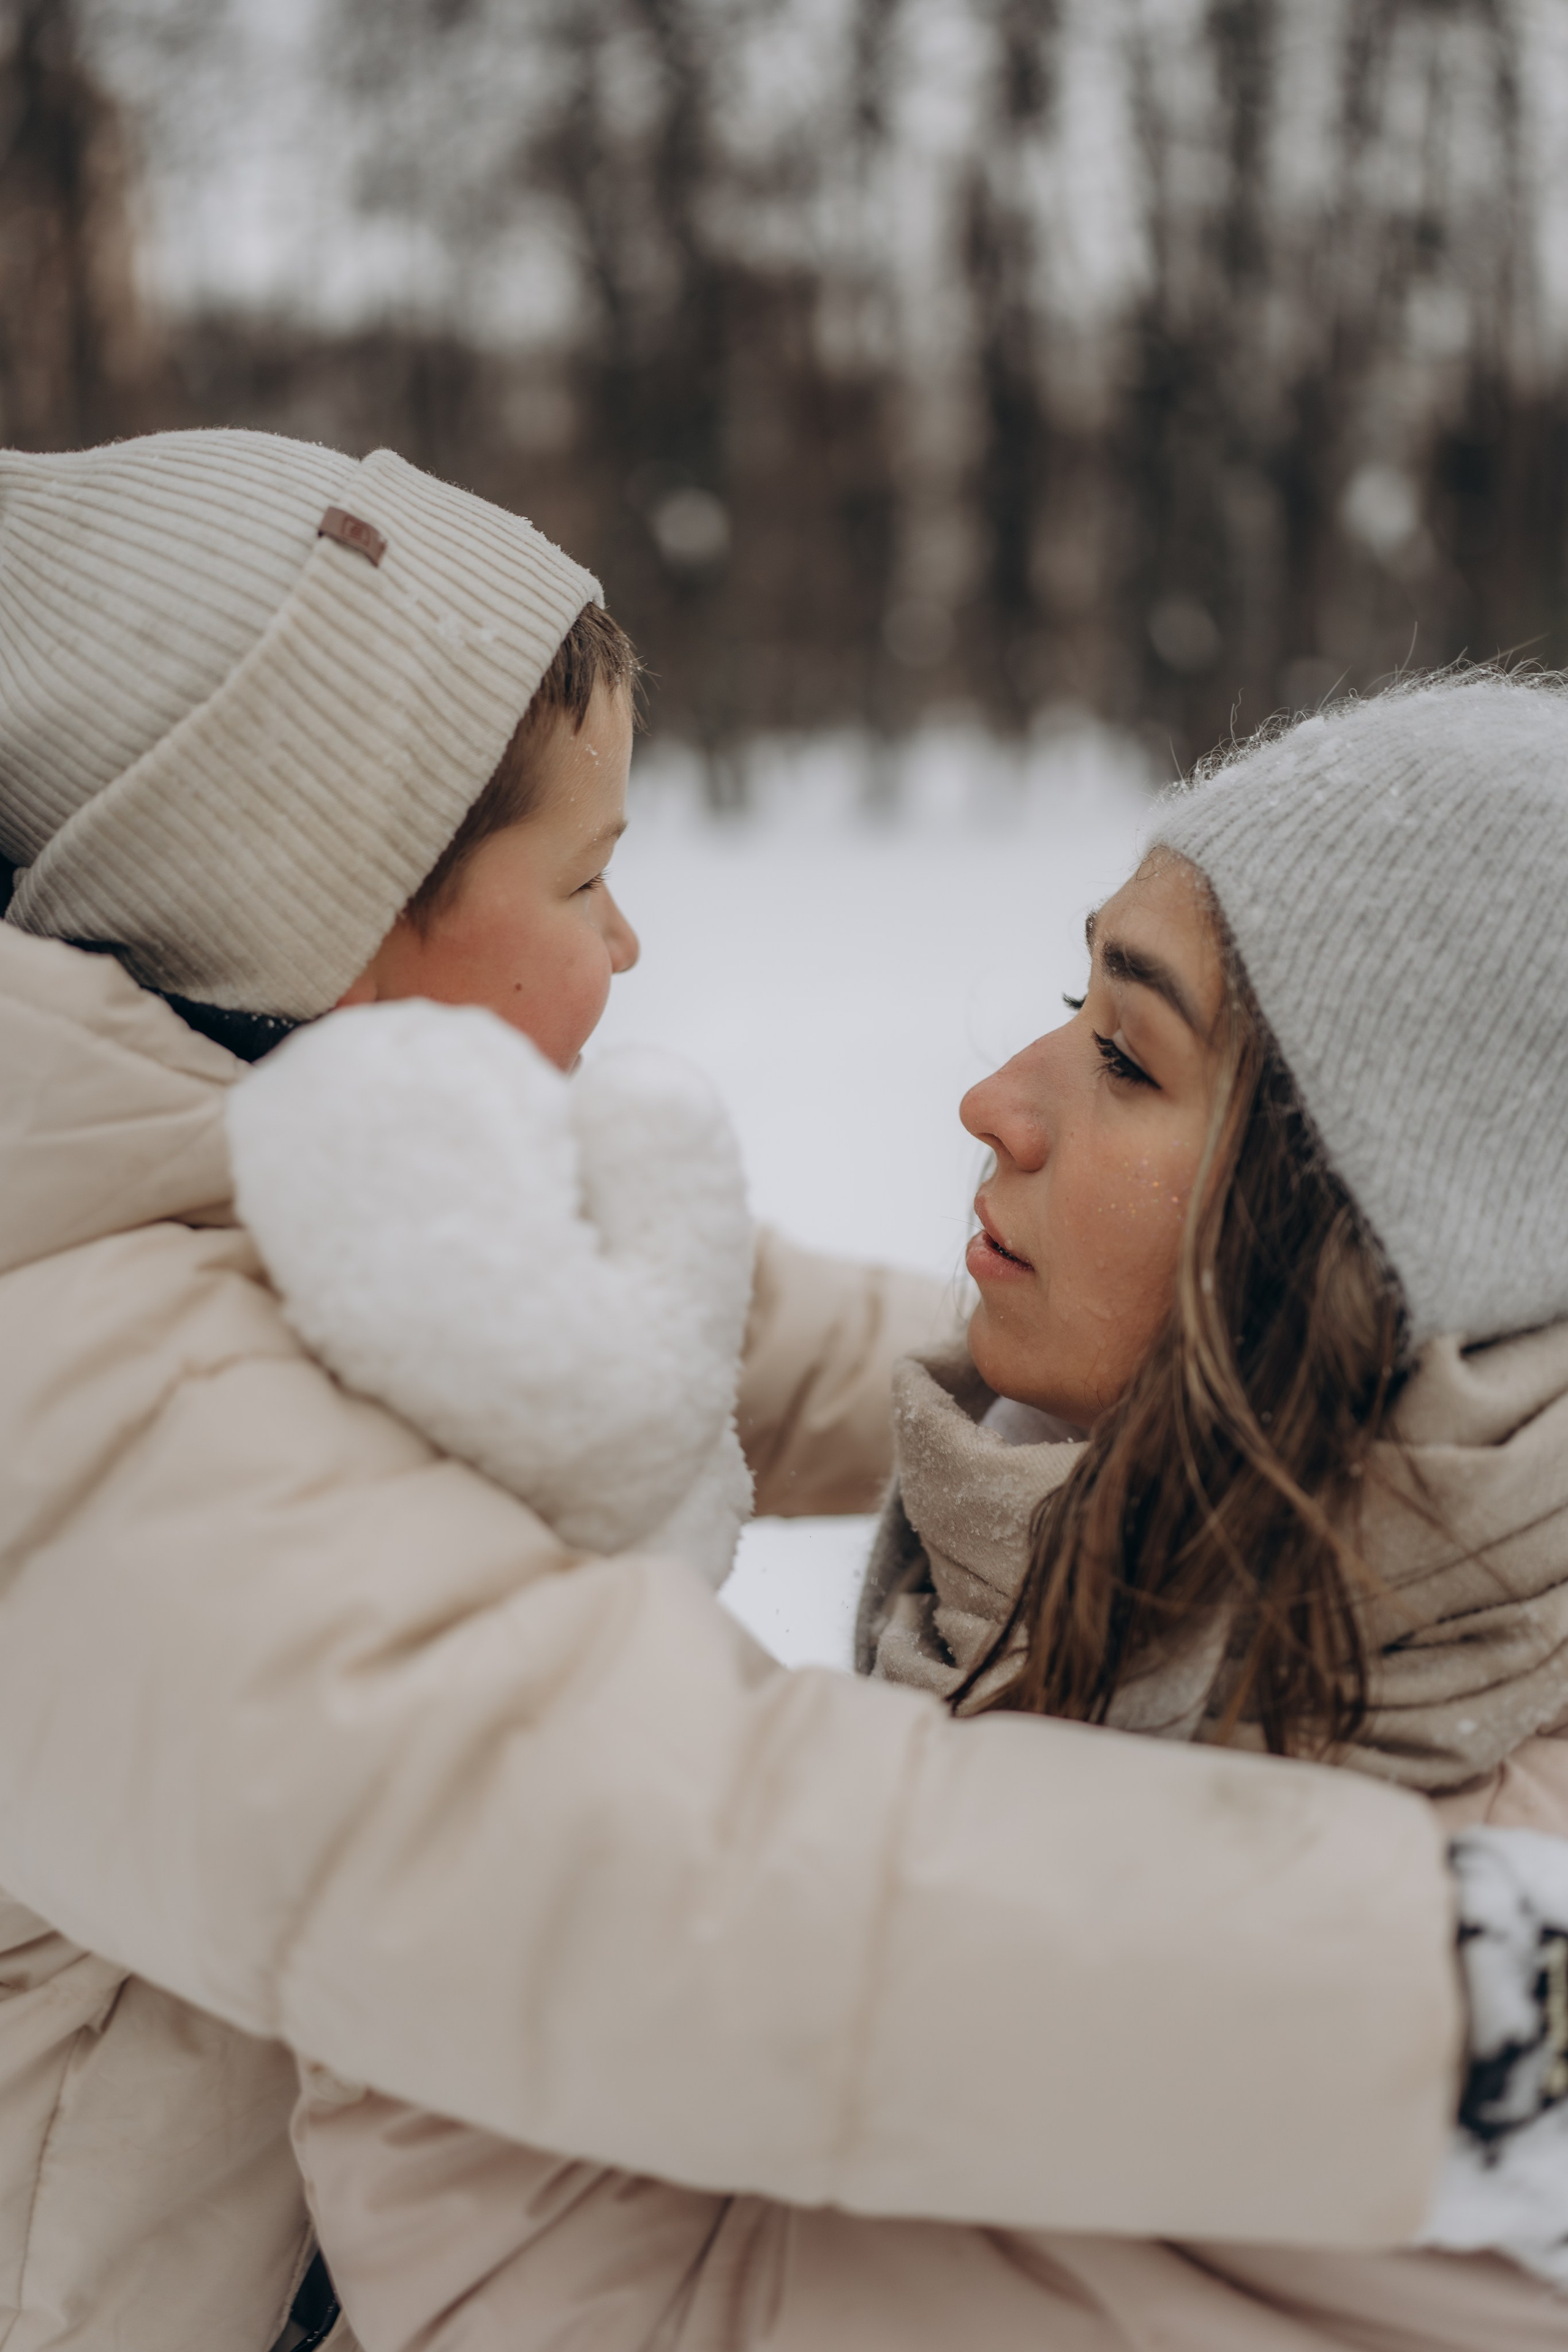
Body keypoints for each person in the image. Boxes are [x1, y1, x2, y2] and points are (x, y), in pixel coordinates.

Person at [0, 430, 1511, 2350]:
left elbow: (748, 1331)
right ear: (336, 921)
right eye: (586, 880)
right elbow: (697, 1868)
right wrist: (1467, 1999)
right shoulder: (84, 1407)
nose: (630, 940)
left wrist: (1172, 1362)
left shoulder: (276, 1185)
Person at [276, 676, 1568, 2351]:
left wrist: (447, 1661)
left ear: (1371, 1251)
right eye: (1071, 999)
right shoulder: (1185, 1574)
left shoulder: (1458, 1961)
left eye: (1125, 1052)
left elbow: (661, 2312)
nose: (1000, 1102)